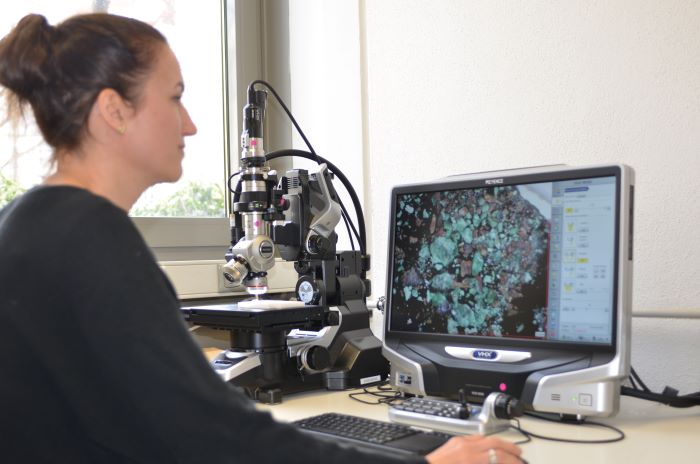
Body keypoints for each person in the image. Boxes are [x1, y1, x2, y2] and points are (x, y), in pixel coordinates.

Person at [0, 13, 523, 464]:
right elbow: (218, 439)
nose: (191, 126)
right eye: (176, 98)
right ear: (115, 110)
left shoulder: (27, 221)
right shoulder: (90, 238)